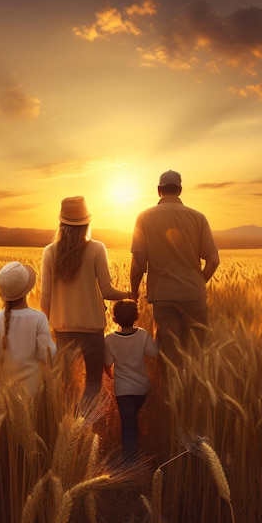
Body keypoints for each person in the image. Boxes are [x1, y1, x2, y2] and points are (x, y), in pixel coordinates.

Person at [41, 196, 131, 403]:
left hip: (62, 329)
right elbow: (107, 291)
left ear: (61, 223)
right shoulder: (97, 248)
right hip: (92, 328)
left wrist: (47, 327)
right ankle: (83, 423)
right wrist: (127, 294)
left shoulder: (49, 252)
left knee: (64, 383)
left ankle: (67, 422)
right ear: (86, 223)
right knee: (92, 383)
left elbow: (46, 298)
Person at [130, 170, 220, 360]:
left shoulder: (144, 218)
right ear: (179, 190)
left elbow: (138, 264)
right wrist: (197, 281)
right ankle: (195, 389)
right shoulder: (198, 218)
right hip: (194, 295)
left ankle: (171, 389)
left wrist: (133, 292)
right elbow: (213, 260)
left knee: (169, 356)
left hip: (163, 296)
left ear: (158, 190)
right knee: (196, 355)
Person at [0, 261, 57, 397]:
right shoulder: (38, 318)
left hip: (4, 391)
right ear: (27, 290)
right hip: (32, 390)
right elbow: (48, 356)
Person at [104, 300, 158, 459]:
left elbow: (107, 363)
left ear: (114, 319)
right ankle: (136, 449)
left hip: (123, 390)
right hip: (142, 388)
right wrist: (157, 334)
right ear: (137, 316)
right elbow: (153, 353)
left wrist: (111, 375)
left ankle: (130, 463)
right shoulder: (142, 335)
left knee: (128, 425)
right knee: (132, 419)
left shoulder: (109, 339)